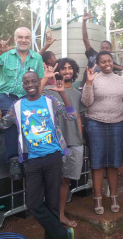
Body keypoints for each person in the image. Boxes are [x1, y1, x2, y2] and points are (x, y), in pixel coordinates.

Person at [0, 70, 76, 239]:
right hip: (32, 160)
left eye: (33, 81)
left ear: (39, 83)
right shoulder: (17, 105)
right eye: (26, 82)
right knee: (33, 204)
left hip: (53, 158)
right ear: (23, 85)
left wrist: (63, 94)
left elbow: (71, 116)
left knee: (52, 204)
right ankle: (63, 234)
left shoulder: (50, 101)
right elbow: (3, 124)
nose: (29, 85)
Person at [0, 27, 44, 180]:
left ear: (31, 40)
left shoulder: (36, 58)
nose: (23, 40)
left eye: (27, 37)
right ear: (15, 39)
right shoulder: (6, 54)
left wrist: (37, 101)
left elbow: (39, 80)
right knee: (14, 111)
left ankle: (1, 123)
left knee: (28, 117)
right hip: (3, 96)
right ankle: (14, 159)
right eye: (20, 37)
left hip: (24, 97)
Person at [81, 51, 123, 215]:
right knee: (98, 162)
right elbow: (86, 102)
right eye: (103, 62)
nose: (107, 64)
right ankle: (98, 197)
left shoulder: (121, 81)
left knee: (114, 163)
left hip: (117, 124)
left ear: (113, 62)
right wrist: (88, 83)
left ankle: (114, 196)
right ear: (98, 64)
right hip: (95, 123)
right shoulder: (94, 79)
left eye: (109, 60)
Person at [41, 58, 86, 228]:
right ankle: (50, 214)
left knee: (66, 181)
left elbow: (79, 117)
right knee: (53, 180)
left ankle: (60, 214)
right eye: (63, 68)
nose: (67, 71)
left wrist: (80, 139)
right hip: (54, 143)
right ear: (58, 71)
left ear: (74, 72)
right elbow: (32, 96)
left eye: (70, 68)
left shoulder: (77, 94)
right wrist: (45, 77)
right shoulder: (48, 90)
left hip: (74, 143)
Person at [81, 12, 123, 88]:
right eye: (102, 48)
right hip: (87, 86)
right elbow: (85, 39)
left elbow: (120, 68)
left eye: (107, 48)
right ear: (100, 49)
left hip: (102, 89)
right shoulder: (93, 55)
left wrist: (109, 64)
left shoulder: (110, 62)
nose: (105, 49)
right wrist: (84, 22)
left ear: (111, 50)